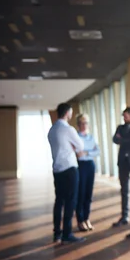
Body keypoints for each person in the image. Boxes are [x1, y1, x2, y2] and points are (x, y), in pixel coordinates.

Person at [47, 103, 86, 244]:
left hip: (57, 169)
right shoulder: (68, 130)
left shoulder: (52, 130)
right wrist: (73, 146)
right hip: (69, 169)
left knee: (59, 201)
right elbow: (80, 146)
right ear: (68, 113)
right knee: (71, 202)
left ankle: (57, 233)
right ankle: (67, 234)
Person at [75, 113, 100, 232]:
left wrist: (87, 152)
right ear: (78, 125)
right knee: (81, 193)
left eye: (86, 123)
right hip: (81, 166)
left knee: (88, 194)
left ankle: (86, 218)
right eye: (81, 123)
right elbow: (78, 153)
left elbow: (98, 151)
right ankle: (80, 220)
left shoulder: (91, 137)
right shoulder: (76, 137)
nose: (84, 125)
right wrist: (89, 151)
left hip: (90, 164)